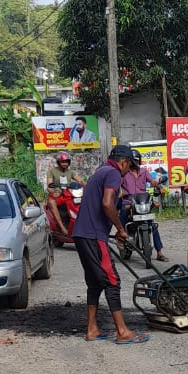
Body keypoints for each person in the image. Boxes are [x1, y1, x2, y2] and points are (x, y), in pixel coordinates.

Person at [72, 144, 149, 345]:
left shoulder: (100, 172)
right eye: (129, 166)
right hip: (94, 236)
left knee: (95, 283)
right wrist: (121, 229)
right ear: (123, 162)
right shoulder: (114, 173)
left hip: (82, 235)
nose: (128, 171)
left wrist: (114, 230)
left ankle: (92, 329)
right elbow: (107, 203)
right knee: (112, 280)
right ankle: (122, 331)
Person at [121, 149, 167, 261]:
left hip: (143, 201)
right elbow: (117, 185)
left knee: (152, 224)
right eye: (132, 160)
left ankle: (159, 252)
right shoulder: (123, 173)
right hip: (128, 200)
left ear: (139, 161)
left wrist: (160, 187)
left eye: (136, 160)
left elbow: (153, 181)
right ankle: (121, 237)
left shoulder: (144, 171)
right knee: (122, 212)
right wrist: (118, 193)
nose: (134, 162)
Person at [45, 151, 83, 238]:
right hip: (57, 195)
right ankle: (62, 227)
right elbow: (49, 185)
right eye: (63, 162)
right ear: (58, 162)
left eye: (66, 162)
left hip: (69, 195)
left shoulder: (70, 172)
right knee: (51, 202)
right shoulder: (52, 171)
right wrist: (53, 191)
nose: (65, 164)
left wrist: (87, 185)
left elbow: (80, 180)